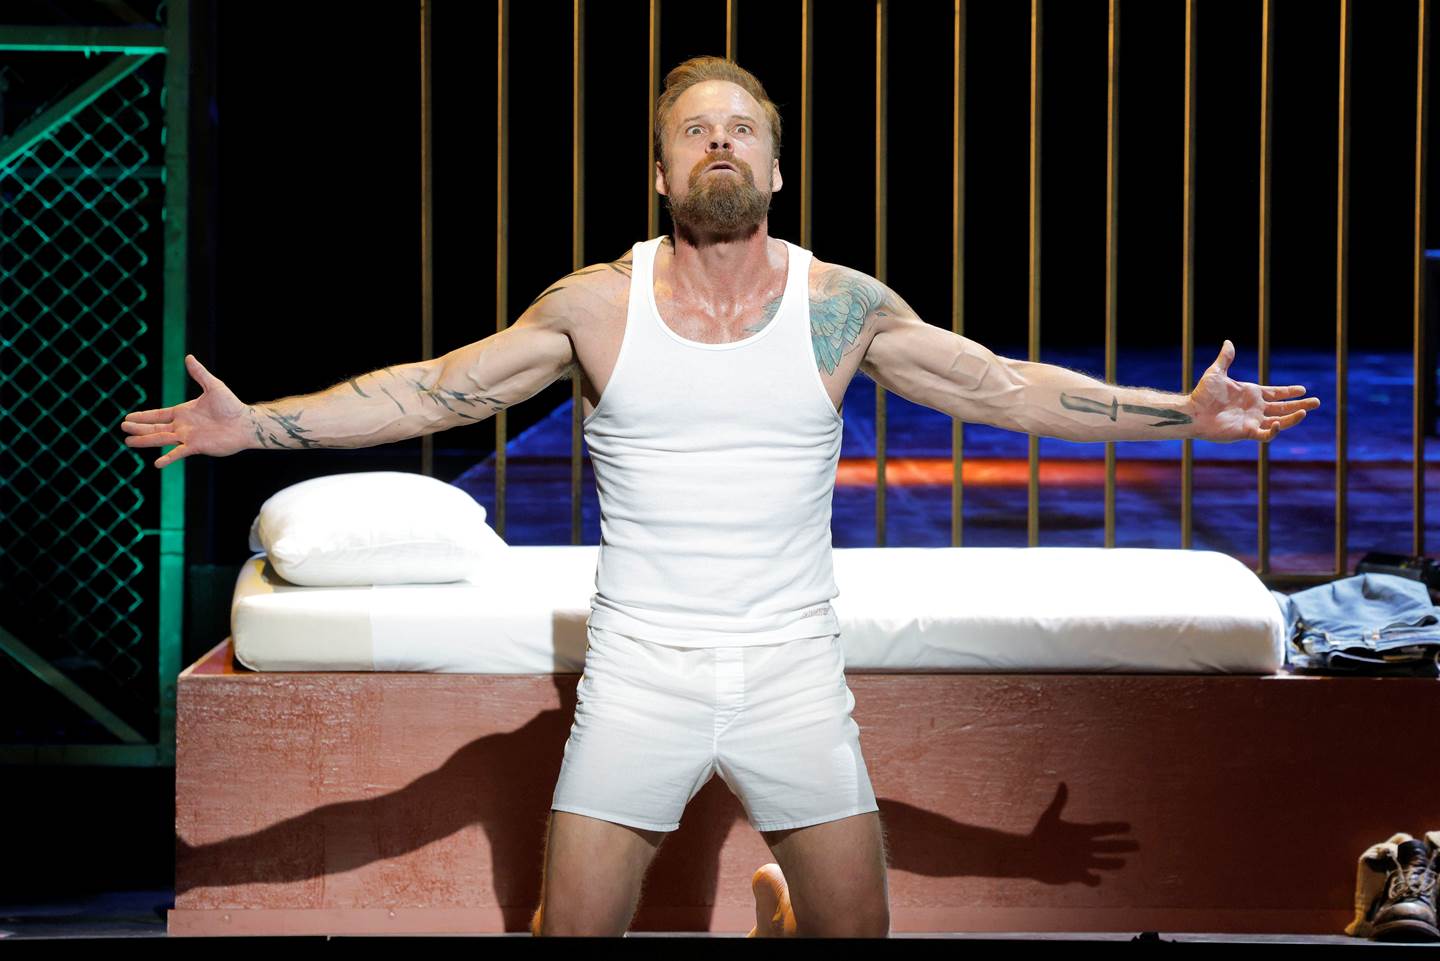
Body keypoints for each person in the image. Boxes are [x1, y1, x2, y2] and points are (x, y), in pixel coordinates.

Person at [120, 56, 1321, 937]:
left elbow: (1002, 387)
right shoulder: (596, 304)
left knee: (856, 934)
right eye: (695, 131)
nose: (720, 144)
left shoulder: (839, 306)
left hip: (791, 668)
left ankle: (780, 915)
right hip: (640, 673)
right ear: (660, 171)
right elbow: (433, 390)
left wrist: (1185, 415)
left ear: (777, 167)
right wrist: (255, 425)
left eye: (742, 128)